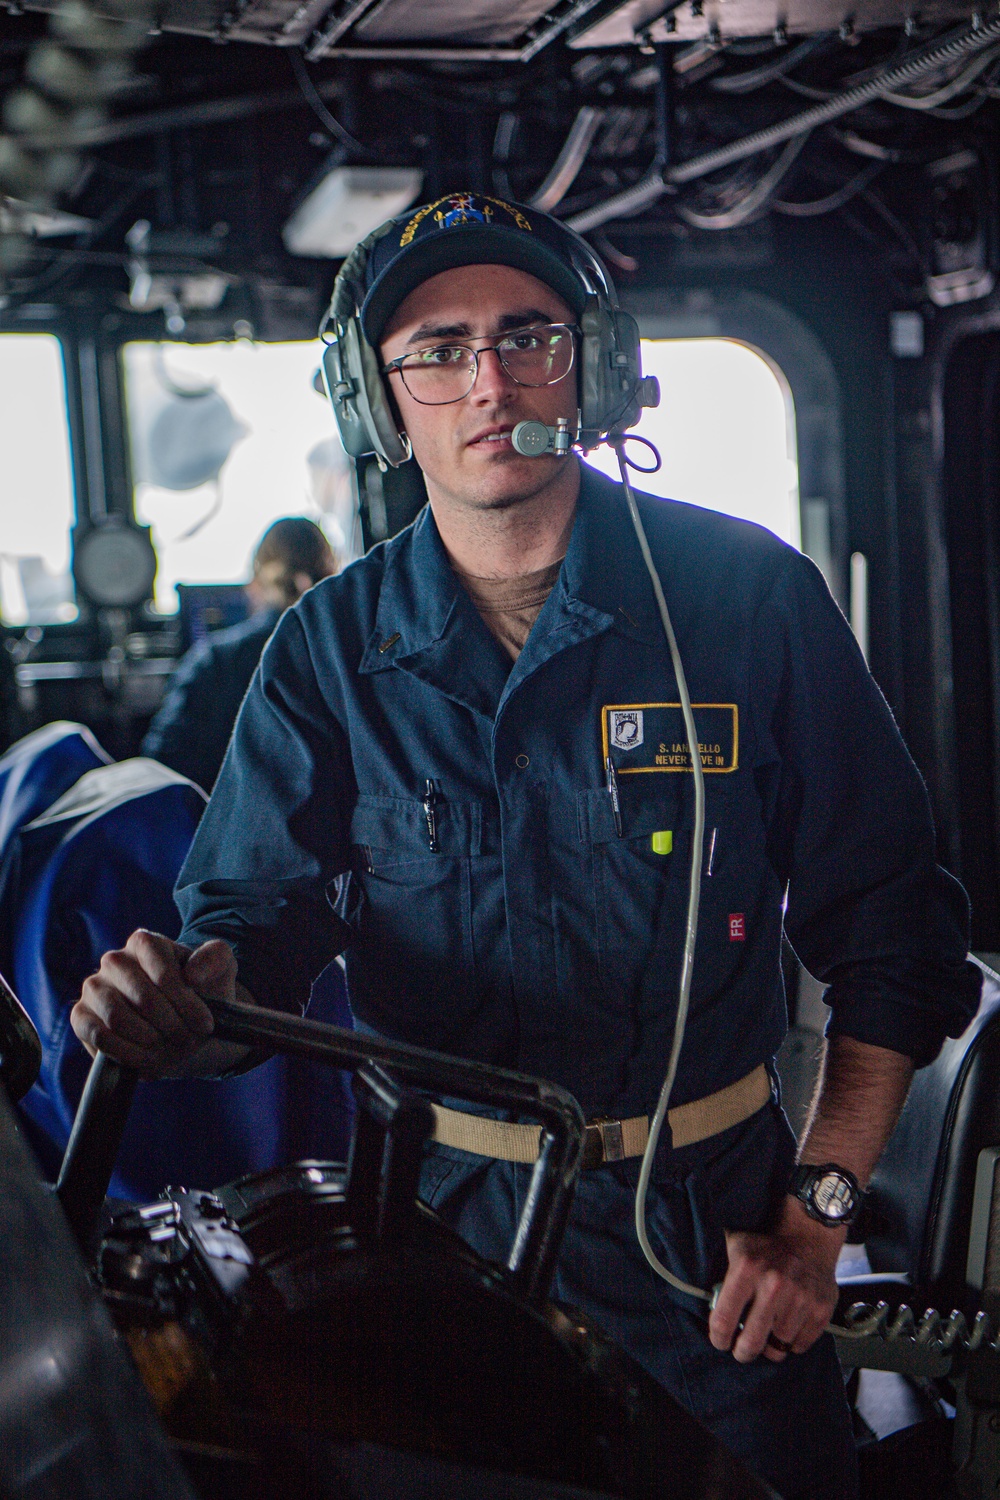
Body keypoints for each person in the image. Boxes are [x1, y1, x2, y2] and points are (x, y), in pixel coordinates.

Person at [71, 193, 980, 1499]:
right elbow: (248, 953)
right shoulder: (326, 656)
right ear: (380, 405)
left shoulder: (746, 599)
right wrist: (181, 1013)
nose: (489, 380)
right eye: (436, 351)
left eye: (529, 335)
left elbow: (893, 929)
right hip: (440, 1249)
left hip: (719, 1252)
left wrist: (819, 1215)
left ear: (592, 367)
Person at [141, 517, 336, 792]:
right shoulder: (352, 654)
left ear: (256, 583)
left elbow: (161, 772)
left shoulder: (212, 662)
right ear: (331, 572)